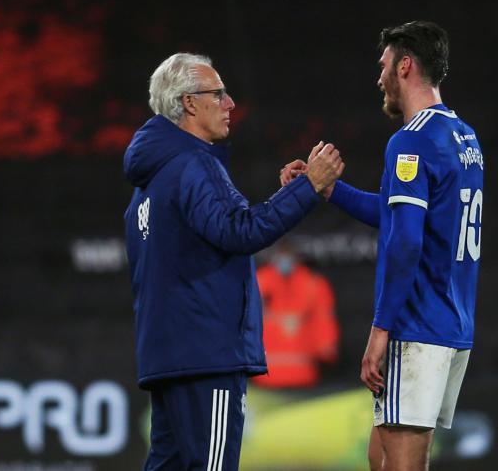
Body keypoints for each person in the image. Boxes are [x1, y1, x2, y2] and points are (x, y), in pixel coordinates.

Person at [123, 52, 344, 471]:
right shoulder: (194, 164)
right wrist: (310, 187)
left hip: (169, 356)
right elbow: (239, 231)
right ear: (189, 102)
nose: (230, 104)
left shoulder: (149, 180)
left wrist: (285, 196)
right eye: (218, 94)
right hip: (208, 355)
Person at [280, 21, 483, 470]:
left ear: (404, 65)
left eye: (384, 65)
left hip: (417, 326)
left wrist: (380, 329)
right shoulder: (463, 137)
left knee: (404, 465)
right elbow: (400, 217)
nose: (379, 77)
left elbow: (406, 242)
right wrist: (329, 190)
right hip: (452, 324)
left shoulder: (411, 140)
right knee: (380, 458)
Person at [253, 241, 339, 389]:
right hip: (266, 376)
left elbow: (324, 320)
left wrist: (327, 349)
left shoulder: (314, 284)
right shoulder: (257, 282)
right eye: (281, 255)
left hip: (302, 374)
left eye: (288, 255)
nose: (284, 260)